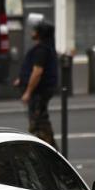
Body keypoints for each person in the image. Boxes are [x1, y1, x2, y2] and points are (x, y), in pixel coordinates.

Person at [15, 20, 58, 148]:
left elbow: (37, 72)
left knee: (38, 123)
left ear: (41, 33)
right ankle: (51, 149)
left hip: (38, 92)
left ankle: (45, 150)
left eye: (35, 30)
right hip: (40, 91)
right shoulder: (46, 48)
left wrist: (28, 92)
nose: (32, 32)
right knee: (40, 120)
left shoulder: (42, 50)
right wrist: (21, 80)